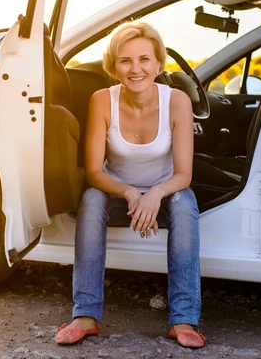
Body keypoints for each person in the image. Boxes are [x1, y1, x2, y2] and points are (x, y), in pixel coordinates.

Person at [54, 21, 204, 348]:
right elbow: (93, 171)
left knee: (185, 203)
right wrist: (130, 192)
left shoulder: (177, 101)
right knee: (91, 199)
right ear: (113, 66)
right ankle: (85, 314)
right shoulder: (101, 100)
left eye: (144, 59)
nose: (136, 69)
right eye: (126, 60)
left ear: (159, 63)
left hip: (166, 190)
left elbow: (183, 175)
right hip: (116, 190)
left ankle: (184, 319)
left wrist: (154, 196)